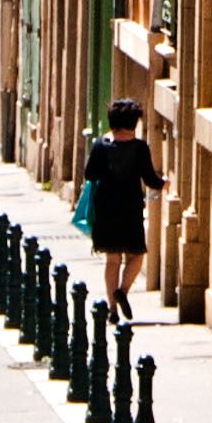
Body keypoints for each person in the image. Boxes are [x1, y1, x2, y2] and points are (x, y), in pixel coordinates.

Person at [80, 97, 163, 315]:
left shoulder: (100, 145)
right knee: (136, 255)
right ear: (134, 123)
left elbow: (90, 174)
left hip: (106, 209)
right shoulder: (140, 148)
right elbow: (151, 180)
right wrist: (164, 184)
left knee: (112, 259)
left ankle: (112, 309)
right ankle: (123, 291)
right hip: (130, 210)